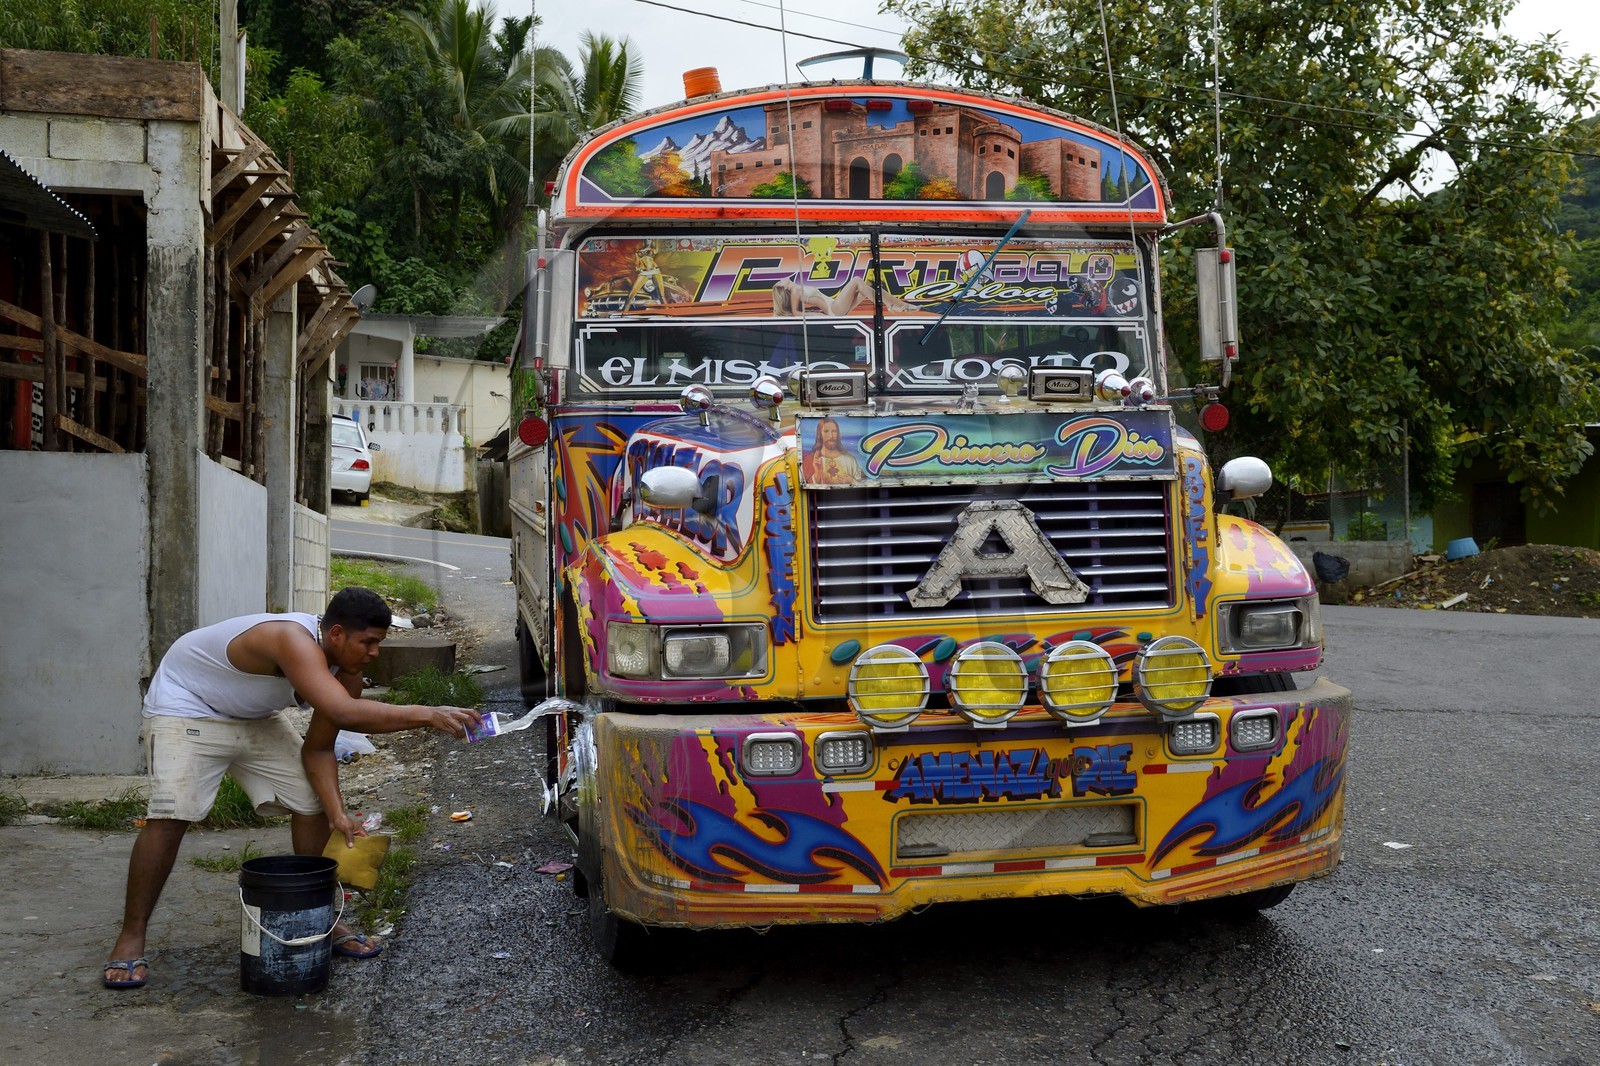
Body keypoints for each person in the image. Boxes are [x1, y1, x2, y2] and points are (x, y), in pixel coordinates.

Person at [101, 587, 480, 990]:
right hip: (187, 706)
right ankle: (130, 937)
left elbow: (318, 749)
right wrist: (428, 714)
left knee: (310, 800)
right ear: (336, 634)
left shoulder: (345, 674)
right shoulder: (290, 638)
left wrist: (335, 813)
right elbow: (344, 712)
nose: (375, 653)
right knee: (172, 814)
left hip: (252, 716)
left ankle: (324, 922)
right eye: (368, 642)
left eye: (378, 643)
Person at [802, 416, 865, 485]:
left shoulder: (850, 460)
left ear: (838, 434)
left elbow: (864, 485)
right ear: (820, 434)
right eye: (826, 431)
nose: (831, 436)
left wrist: (852, 481)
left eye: (834, 431)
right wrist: (817, 473)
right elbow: (805, 488)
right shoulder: (810, 460)